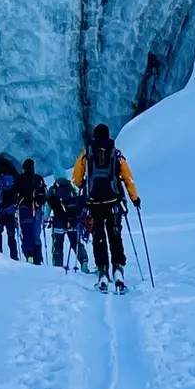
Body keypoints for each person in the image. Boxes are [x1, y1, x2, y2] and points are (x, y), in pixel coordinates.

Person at [71, 123, 141, 293]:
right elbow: (127, 177)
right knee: (115, 235)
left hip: (94, 203)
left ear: (94, 136)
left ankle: (102, 270)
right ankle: (117, 269)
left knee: (98, 236)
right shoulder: (116, 153)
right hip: (114, 202)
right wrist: (134, 198)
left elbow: (76, 179)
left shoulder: (87, 153)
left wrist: (82, 189)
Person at [7, 158, 47, 264]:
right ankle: (38, 258)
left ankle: (29, 256)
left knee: (26, 233)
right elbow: (44, 195)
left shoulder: (20, 178)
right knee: (36, 234)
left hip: (24, 209)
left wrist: (14, 206)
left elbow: (13, 193)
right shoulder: (39, 178)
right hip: (37, 210)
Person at [47, 178, 90, 272]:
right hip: (72, 220)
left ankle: (58, 266)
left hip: (58, 221)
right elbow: (79, 199)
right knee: (76, 243)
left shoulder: (53, 189)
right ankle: (84, 261)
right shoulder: (71, 187)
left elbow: (48, 205)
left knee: (57, 245)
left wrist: (46, 217)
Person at [0, 168, 19, 259]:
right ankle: (14, 257)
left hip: (1, 214)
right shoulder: (13, 183)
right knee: (11, 236)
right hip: (11, 214)